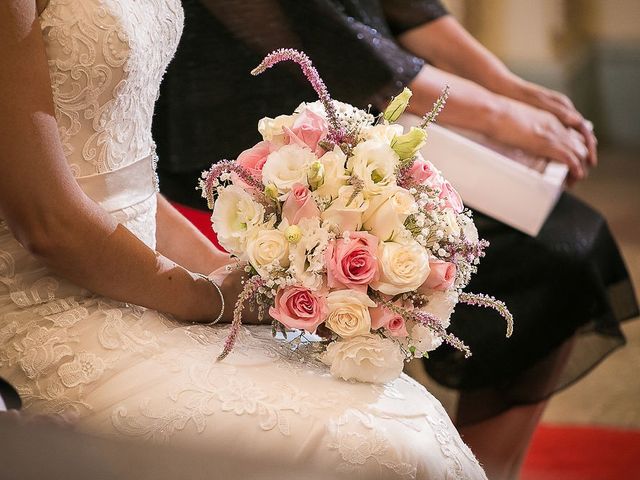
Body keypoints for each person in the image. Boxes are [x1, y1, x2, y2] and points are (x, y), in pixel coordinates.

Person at [0, 1, 489, 478]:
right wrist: (201, 295)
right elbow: (47, 221)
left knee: (401, 422)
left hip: (143, 278)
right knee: (356, 447)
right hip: (48, 310)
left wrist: (230, 271)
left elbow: (115, 170)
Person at [153, 1, 639, 479]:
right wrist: (496, 114)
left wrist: (507, 86)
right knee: (553, 255)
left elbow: (406, 6)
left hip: (362, 114)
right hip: (258, 124)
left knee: (571, 238)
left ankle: (480, 467)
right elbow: (320, 33)